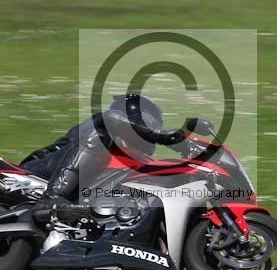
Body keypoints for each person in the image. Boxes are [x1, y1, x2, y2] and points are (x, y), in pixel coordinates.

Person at [20, 94, 185, 222]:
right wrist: (168, 137)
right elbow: (115, 121)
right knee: (100, 137)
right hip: (39, 172)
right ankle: (51, 198)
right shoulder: (103, 124)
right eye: (152, 124)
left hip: (82, 197)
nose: (154, 129)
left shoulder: (127, 154)